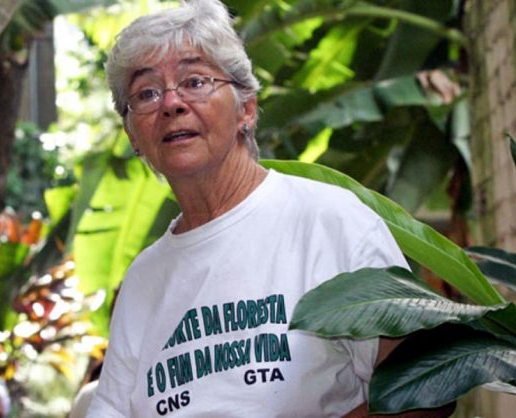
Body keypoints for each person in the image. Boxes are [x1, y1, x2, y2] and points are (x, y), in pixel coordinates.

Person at [87, 1, 455, 417]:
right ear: (133, 135)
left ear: (246, 108)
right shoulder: (143, 280)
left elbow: (426, 392)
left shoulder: (330, 220)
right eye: (147, 93)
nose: (171, 103)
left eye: (195, 81)